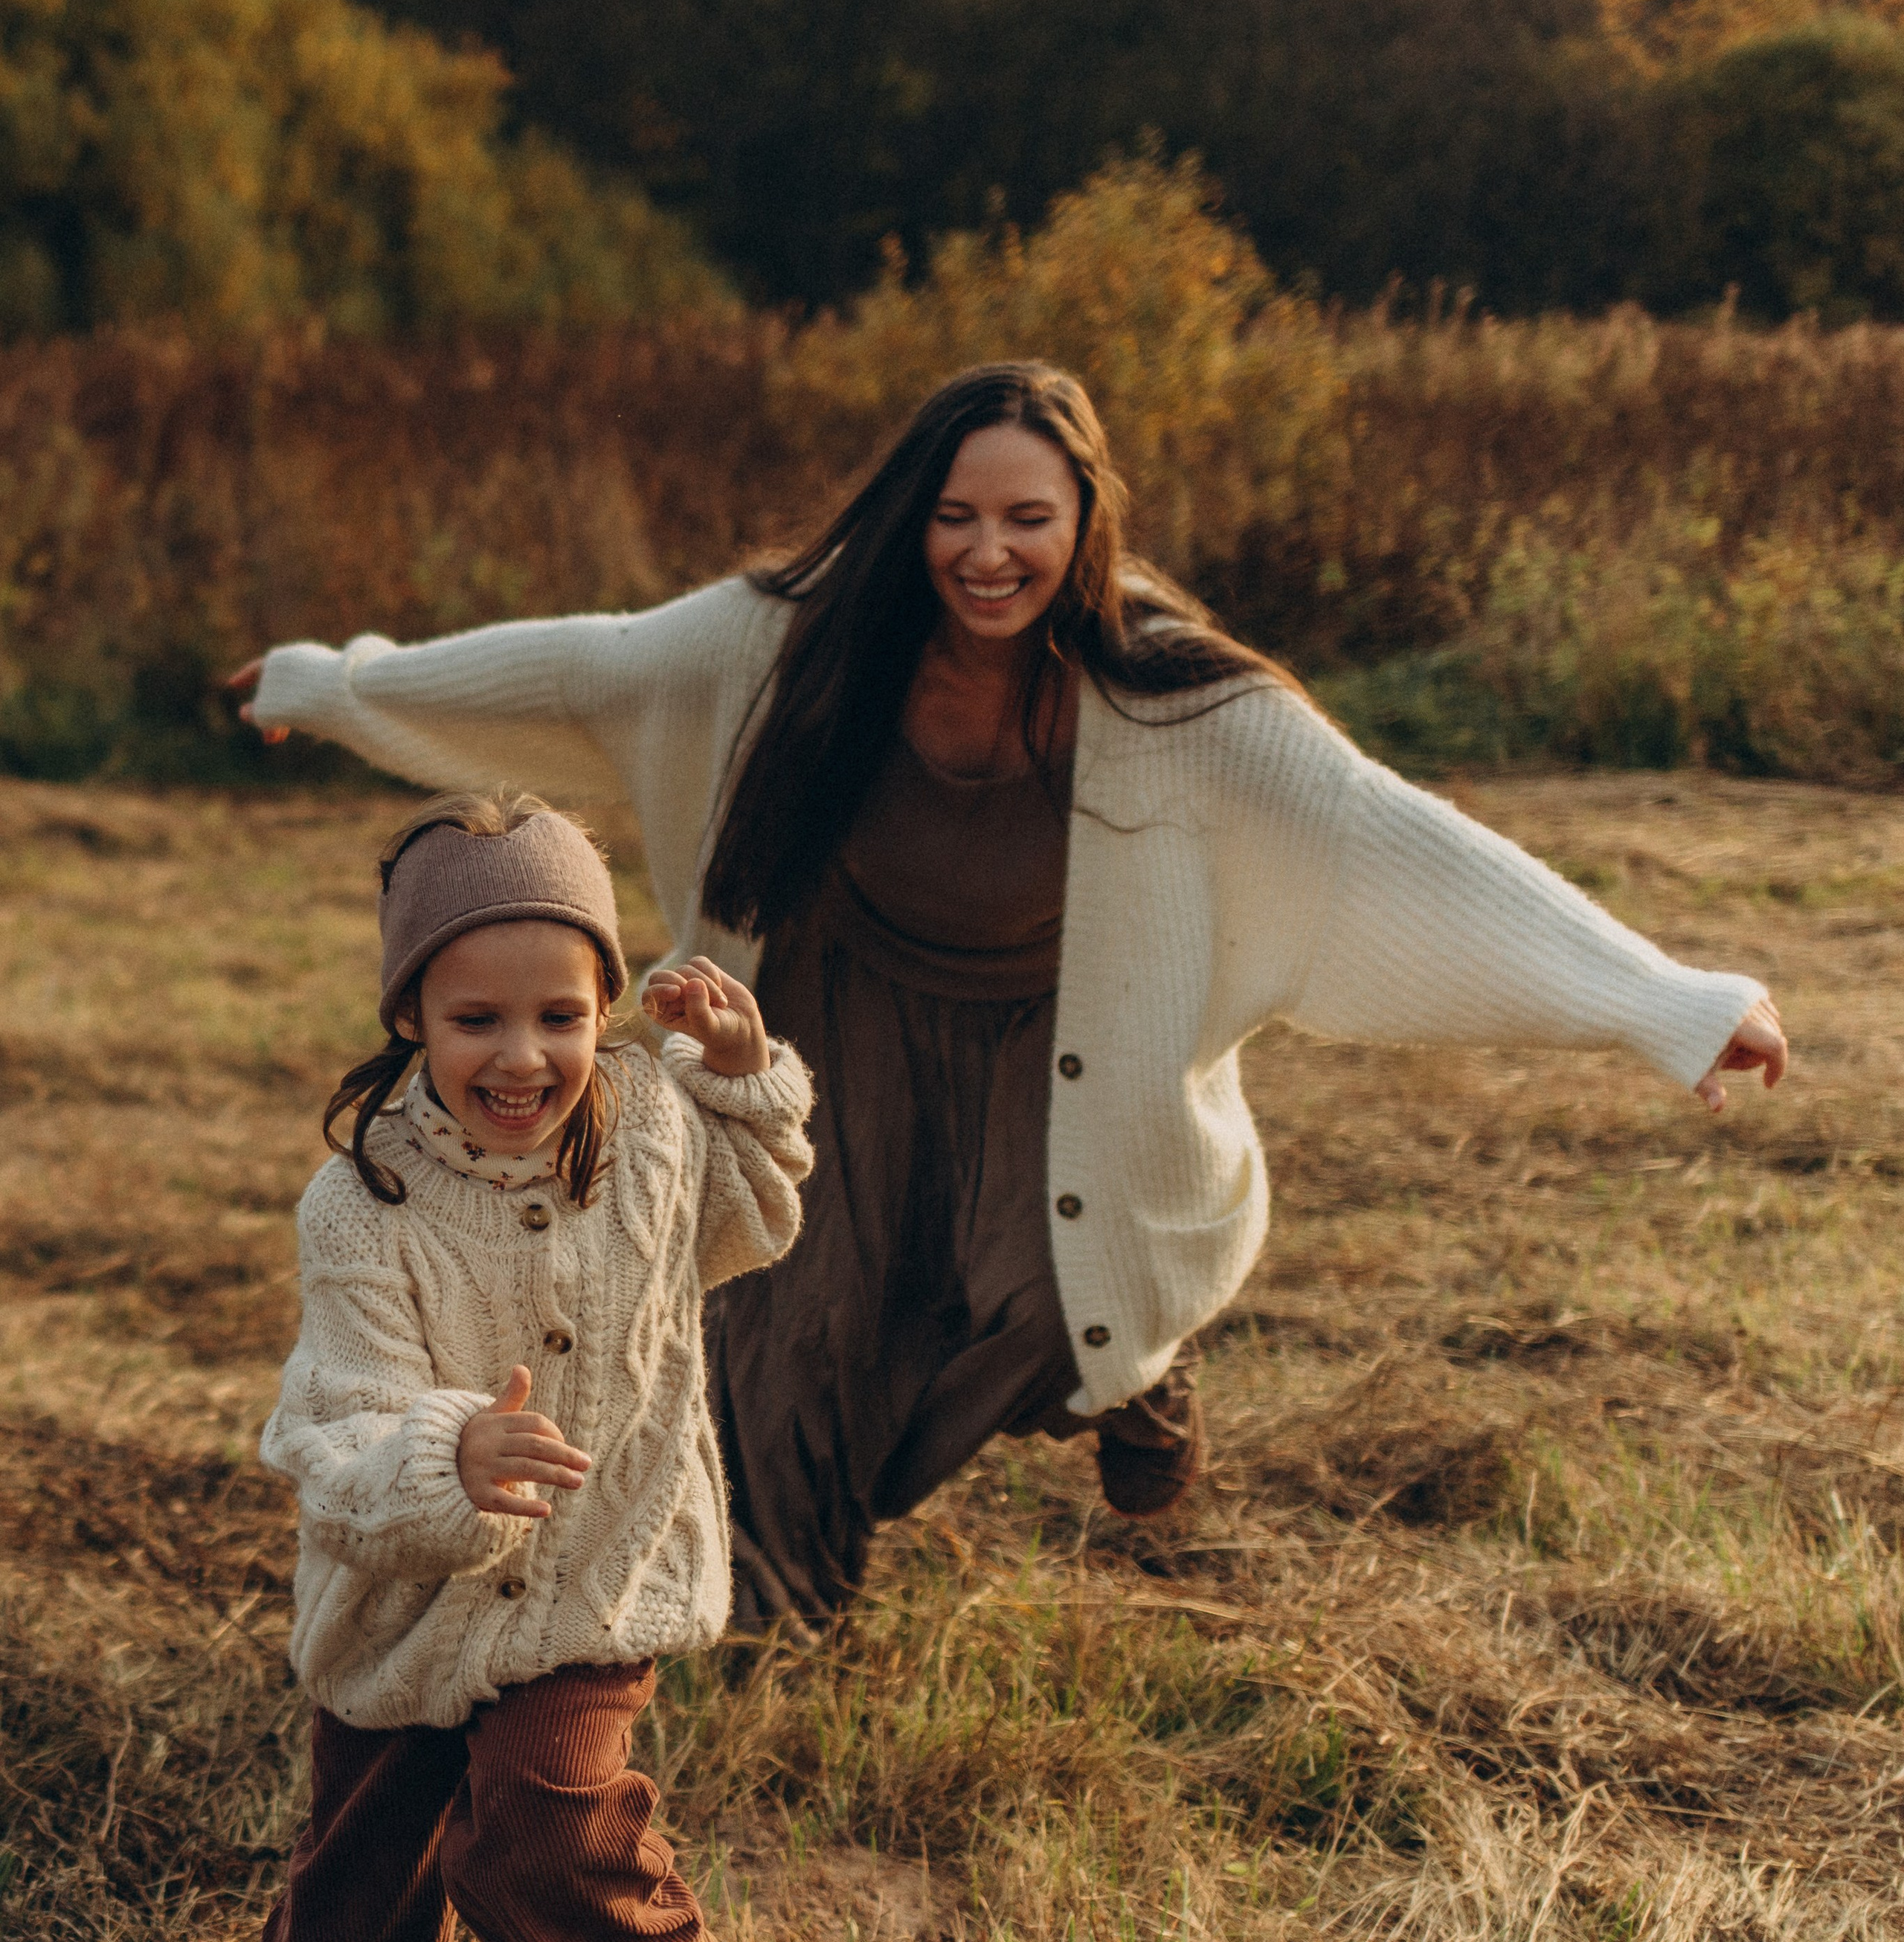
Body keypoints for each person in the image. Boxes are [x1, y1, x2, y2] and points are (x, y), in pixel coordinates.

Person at [233, 361, 1787, 1633]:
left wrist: (1665, 1002)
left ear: (1084, 520)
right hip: (839, 1024)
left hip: (1062, 1057)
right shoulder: (785, 643)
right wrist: (333, 685)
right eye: (956, 516)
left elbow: (1396, 840)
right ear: (911, 516)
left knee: (1051, 1307)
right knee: (786, 1332)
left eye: (1028, 519)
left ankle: (1130, 1372)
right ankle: (777, 1602)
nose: (988, 553)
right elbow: (584, 669)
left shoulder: (1177, 700)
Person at [242, 791, 812, 1942]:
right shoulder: (362, 1204)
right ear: (410, 1018)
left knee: (537, 1830)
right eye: (475, 1020)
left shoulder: (653, 1126)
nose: (521, 1055)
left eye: (561, 1016)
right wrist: (447, 1454)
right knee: (358, 1874)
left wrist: (744, 1082)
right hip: (401, 1599)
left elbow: (751, 1217)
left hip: (600, 1567)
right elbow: (336, 1425)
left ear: (608, 1008)